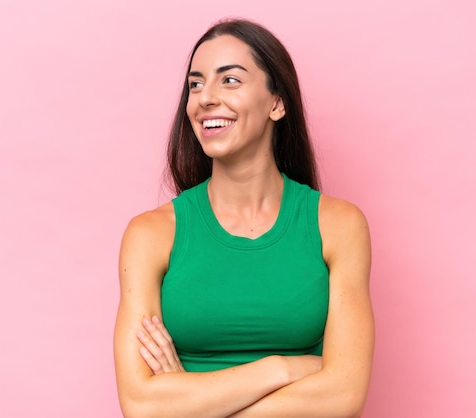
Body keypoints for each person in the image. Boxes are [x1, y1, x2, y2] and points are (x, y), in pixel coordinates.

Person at [114, 18, 374, 418]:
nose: (205, 98)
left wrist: (189, 401)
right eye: (196, 84)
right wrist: (282, 367)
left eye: (229, 80)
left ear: (277, 102)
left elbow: (343, 397)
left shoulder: (338, 225)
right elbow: (141, 405)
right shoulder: (151, 234)